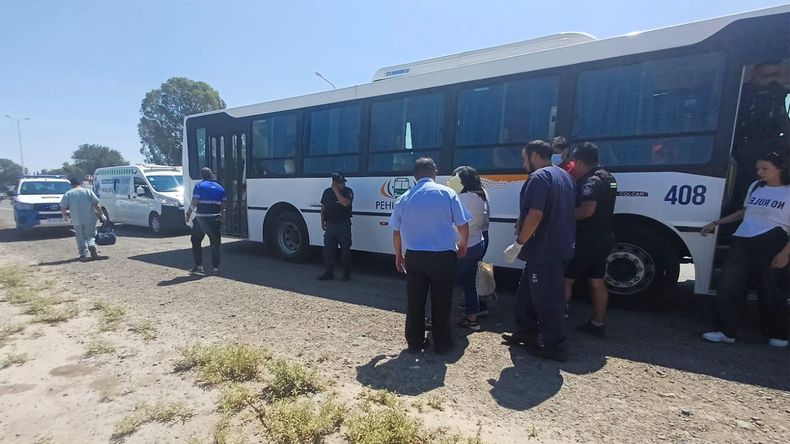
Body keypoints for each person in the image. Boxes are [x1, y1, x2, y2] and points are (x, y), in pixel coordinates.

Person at [701, 151, 790, 348]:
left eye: (765, 168)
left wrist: (785, 253)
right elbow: (744, 212)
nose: (759, 172)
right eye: (758, 168)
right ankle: (725, 331)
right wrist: (717, 222)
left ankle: (778, 333)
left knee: (771, 289)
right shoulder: (755, 186)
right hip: (743, 239)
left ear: (780, 169)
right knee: (729, 285)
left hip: (773, 240)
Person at [502, 140, 576, 362]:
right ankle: (526, 331)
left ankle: (554, 345)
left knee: (547, 298)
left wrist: (519, 243)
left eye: (524, 158)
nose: (524, 163)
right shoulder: (564, 175)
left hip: (544, 250)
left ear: (534, 155)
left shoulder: (539, 178)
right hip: (558, 246)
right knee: (526, 293)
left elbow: (535, 214)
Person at [390, 158, 470, 353]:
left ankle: (415, 342)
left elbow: (396, 231)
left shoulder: (405, 197)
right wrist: (463, 244)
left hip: (415, 257)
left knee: (415, 300)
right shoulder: (447, 193)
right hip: (443, 257)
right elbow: (463, 224)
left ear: (414, 175)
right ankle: (442, 344)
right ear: (434, 172)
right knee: (442, 300)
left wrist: (398, 256)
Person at [564, 142, 617, 337]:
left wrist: (561, 214)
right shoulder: (608, 177)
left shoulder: (590, 182)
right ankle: (598, 323)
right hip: (604, 237)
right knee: (596, 281)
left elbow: (587, 211)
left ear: (577, 161)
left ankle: (557, 319)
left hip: (586, 239)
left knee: (565, 280)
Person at [447, 166, 490, 331]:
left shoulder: (460, 198)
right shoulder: (481, 196)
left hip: (462, 247)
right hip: (477, 244)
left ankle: (442, 319)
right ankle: (472, 319)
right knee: (469, 283)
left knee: (446, 284)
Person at [184, 167, 226, 274]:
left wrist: (188, 213)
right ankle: (215, 268)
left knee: (196, 241)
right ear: (211, 174)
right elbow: (223, 204)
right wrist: (222, 215)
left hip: (202, 219)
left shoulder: (199, 186)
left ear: (202, 175)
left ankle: (199, 266)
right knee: (215, 243)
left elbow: (194, 201)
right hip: (215, 218)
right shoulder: (220, 187)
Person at [60, 176, 107, 261]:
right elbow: (96, 204)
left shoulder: (68, 194)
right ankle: (92, 245)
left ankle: (83, 254)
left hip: (76, 219)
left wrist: (65, 216)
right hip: (89, 218)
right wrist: (102, 214)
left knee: (80, 237)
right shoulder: (88, 191)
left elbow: (63, 207)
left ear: (71, 185)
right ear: (81, 183)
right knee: (91, 235)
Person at [318, 172, 354, 281]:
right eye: (339, 183)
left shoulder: (348, 192)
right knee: (328, 250)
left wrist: (336, 190)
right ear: (334, 182)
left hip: (343, 224)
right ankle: (329, 272)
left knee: (345, 250)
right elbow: (323, 208)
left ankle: (346, 273)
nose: (342, 184)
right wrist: (322, 221)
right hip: (330, 225)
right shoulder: (327, 192)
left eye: (343, 182)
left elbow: (345, 203)